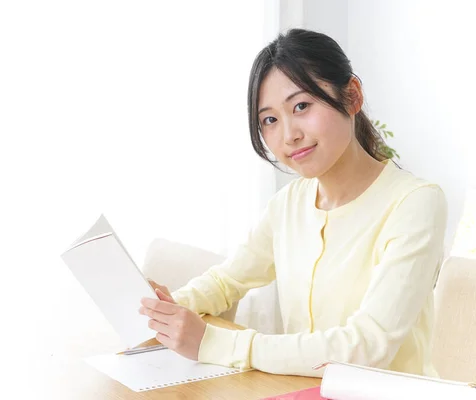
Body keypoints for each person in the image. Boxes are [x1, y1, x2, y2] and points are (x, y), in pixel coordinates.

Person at [138, 28, 447, 377]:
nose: (288, 136)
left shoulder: (416, 203)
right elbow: (227, 281)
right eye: (270, 119)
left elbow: (368, 345)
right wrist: (167, 309)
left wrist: (214, 342)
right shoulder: (288, 205)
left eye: (301, 106)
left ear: (352, 96)